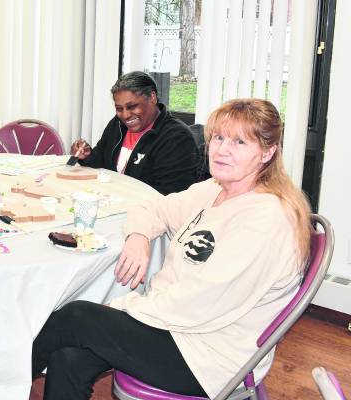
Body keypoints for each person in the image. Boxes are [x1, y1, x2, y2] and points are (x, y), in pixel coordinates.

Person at [32, 99, 311, 399]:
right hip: (177, 327)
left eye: (240, 142)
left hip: (209, 354)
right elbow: (154, 207)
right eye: (218, 137)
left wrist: (121, 308)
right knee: (68, 356)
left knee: (77, 317)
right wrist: (139, 236)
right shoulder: (216, 189)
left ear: (267, 153)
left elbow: (198, 304)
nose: (222, 150)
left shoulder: (265, 219)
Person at [70, 71, 198, 195]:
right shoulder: (117, 125)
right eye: (119, 109)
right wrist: (86, 156)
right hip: (114, 203)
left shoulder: (176, 138)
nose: (125, 115)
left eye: (132, 107)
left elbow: (170, 196)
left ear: (152, 98)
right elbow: (100, 162)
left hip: (146, 212)